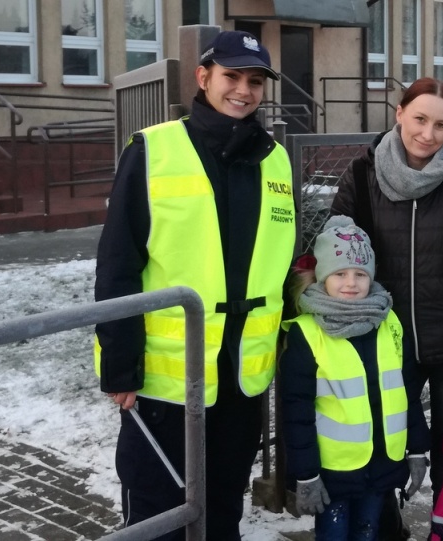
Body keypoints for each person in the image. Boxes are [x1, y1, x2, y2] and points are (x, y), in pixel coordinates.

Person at [94, 30, 295, 540]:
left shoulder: (274, 159)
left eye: (255, 81)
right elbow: (117, 263)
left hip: (240, 377)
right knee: (159, 512)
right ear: (203, 77)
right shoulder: (154, 150)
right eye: (231, 76)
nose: (243, 91)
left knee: (223, 505)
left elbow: (279, 259)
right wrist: (121, 364)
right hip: (167, 381)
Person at [330, 77, 443, 538]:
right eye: (420, 119)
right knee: (387, 449)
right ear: (399, 113)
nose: (428, 134)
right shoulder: (362, 173)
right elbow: (335, 251)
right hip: (385, 343)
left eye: (441, 125)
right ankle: (387, 531)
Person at [279, 215, 430, 540]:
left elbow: (407, 392)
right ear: (322, 277)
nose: (351, 282)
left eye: (360, 273)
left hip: (381, 467)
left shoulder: (388, 322)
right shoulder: (308, 334)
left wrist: (417, 450)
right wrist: (306, 475)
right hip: (332, 473)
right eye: (340, 273)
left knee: (369, 532)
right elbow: (296, 411)